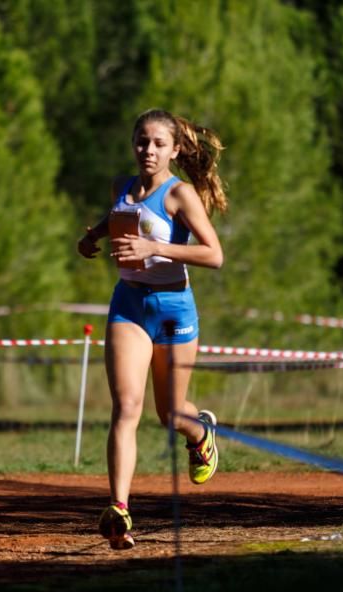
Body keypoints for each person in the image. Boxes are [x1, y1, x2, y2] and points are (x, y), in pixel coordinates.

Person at [76, 109, 226, 549]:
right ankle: (119, 509)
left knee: (170, 414)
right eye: (142, 142)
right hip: (129, 306)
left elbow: (214, 254)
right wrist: (94, 237)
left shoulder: (179, 195)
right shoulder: (121, 186)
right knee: (126, 407)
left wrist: (155, 247)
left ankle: (200, 434)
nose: (149, 150)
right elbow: (119, 217)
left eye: (159, 144)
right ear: (133, 144)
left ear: (175, 150)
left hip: (175, 311)